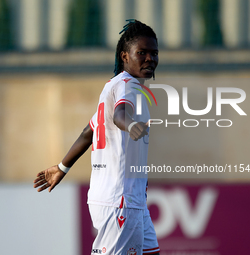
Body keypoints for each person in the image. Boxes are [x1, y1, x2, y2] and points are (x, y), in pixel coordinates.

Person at [34, 20, 160, 255]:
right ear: (124, 56)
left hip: (130, 200)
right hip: (120, 200)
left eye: (154, 53)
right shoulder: (128, 86)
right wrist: (131, 124)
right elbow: (120, 115)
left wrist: (62, 167)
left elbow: (88, 132)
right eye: (141, 52)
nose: (149, 58)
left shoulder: (112, 87)